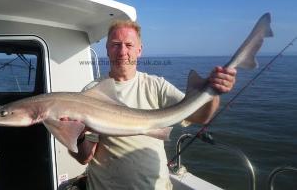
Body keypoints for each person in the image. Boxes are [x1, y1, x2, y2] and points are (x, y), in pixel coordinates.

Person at [71, 20, 237, 190]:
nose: (122, 51)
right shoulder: (92, 93)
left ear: (139, 50)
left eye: (129, 45)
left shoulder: (156, 86)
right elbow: (85, 158)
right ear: (107, 49)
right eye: (115, 44)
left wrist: (214, 92)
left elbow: (201, 116)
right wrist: (77, 135)